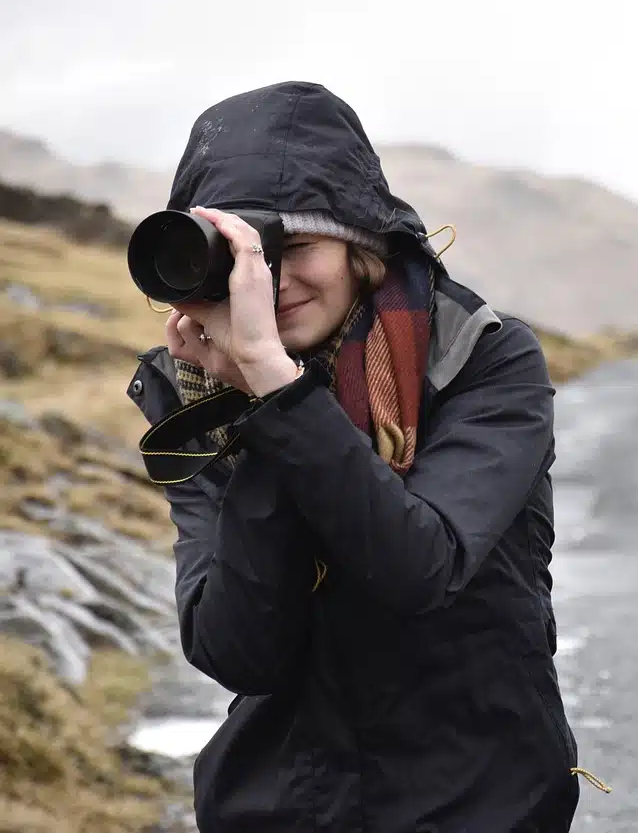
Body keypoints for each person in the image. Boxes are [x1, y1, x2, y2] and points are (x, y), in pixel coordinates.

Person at [125, 81, 590, 832]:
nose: (270, 284)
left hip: (477, 804)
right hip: (283, 809)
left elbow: (419, 564)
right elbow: (242, 651)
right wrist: (249, 408)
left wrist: (276, 393)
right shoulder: (199, 396)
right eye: (241, 261)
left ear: (360, 241)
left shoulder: (477, 359)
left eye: (293, 247)